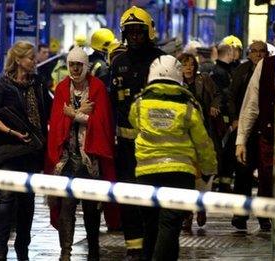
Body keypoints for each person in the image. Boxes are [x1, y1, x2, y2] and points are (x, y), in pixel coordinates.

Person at [129, 55, 217, 260]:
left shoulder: (140, 104)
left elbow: (134, 124)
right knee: (170, 225)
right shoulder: (188, 106)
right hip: (179, 174)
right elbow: (202, 142)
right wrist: (209, 169)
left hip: (146, 173)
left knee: (150, 226)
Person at [45, 47, 117, 261]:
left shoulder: (97, 88)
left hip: (90, 159)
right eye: (72, 65)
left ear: (86, 66)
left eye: (79, 65)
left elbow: (102, 124)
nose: (75, 69)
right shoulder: (61, 89)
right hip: (66, 158)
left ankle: (93, 251)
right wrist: (80, 114)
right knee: (66, 206)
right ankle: (65, 252)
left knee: (91, 209)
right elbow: (57, 123)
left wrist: (74, 115)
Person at [0, 40, 52, 261]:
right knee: (5, 199)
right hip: (7, 151)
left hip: (31, 152)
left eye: (34, 58)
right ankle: (0, 250)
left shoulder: (39, 84)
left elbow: (48, 113)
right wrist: (11, 131)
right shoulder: (3, 86)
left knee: (26, 202)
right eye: (31, 58)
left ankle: (22, 248)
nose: (34, 62)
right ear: (18, 60)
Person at [110, 6, 165, 259]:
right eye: (129, 31)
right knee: (128, 196)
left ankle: (152, 246)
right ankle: (134, 248)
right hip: (125, 147)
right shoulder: (118, 62)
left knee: (152, 200)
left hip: (155, 145)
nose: (134, 36)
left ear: (148, 31)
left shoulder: (162, 62)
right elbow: (112, 103)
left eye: (138, 31)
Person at [178, 53, 222, 230]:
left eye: (190, 64)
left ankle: (201, 206)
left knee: (202, 174)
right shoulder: (176, 84)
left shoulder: (204, 80)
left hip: (202, 132)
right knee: (187, 175)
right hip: (183, 136)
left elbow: (218, 95)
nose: (188, 67)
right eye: (184, 64)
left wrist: (215, 106)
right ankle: (187, 214)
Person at [228, 40, 268, 229]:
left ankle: (264, 214)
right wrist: (236, 120)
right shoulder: (241, 72)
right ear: (249, 53)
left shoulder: (270, 70)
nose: (259, 55)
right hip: (246, 129)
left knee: (266, 175)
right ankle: (240, 214)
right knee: (243, 173)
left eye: (262, 51)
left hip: (265, 130)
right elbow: (234, 98)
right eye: (255, 51)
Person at [235, 54, 275, 230]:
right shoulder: (266, 65)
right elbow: (251, 105)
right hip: (269, 135)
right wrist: (241, 141)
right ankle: (265, 215)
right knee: (267, 177)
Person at [210, 43, 235, 192]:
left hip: (225, 117)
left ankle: (222, 182)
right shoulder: (220, 72)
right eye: (232, 53)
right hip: (222, 117)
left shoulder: (223, 70)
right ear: (228, 53)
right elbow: (223, 95)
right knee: (222, 150)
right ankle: (220, 183)